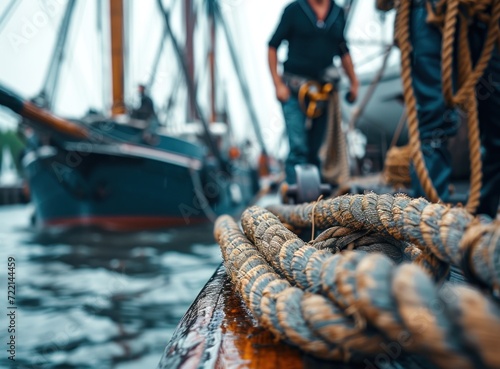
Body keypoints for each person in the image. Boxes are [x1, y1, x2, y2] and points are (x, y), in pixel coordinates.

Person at [379, 0, 500, 218]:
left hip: (487, 17)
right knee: (433, 123)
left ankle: (484, 223)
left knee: (497, 126)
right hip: (430, 12)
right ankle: (430, 224)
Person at [268, 0, 358, 184]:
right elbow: (272, 46)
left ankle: (313, 199)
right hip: (294, 91)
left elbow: (343, 49)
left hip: (323, 92)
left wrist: (354, 82)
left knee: (316, 148)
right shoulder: (294, 10)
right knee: (298, 147)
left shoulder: (337, 13)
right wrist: (278, 84)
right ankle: (296, 198)